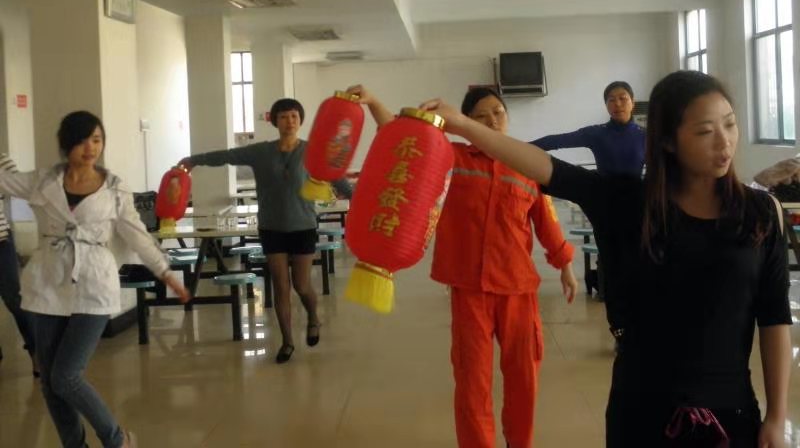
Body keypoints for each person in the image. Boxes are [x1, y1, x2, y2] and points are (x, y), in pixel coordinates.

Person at [420, 70, 791, 447]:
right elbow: (546, 165)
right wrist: (463, 126)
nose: (724, 141)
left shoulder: (760, 214)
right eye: (705, 131)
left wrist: (777, 416)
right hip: (643, 411)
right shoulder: (630, 204)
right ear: (667, 140)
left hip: (731, 414)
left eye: (730, 124)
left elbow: (774, 317)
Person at [349, 85, 578, 448]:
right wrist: (374, 102)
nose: (492, 121)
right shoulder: (451, 158)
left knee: (524, 377)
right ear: (466, 121)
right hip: (469, 288)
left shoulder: (525, 164)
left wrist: (564, 264)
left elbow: (545, 220)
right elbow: (403, 142)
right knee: (472, 381)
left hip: (518, 288)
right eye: (481, 116)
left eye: (498, 113)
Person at [0, 111, 190, 448]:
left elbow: (136, 234)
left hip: (94, 283)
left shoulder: (114, 188)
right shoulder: (43, 181)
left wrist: (165, 271)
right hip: (48, 283)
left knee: (66, 375)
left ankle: (117, 440)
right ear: (67, 144)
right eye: (83, 141)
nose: (91, 148)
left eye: (97, 140)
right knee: (49, 382)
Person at [179, 98, 352, 364]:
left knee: (301, 285)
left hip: (303, 226)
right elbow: (227, 156)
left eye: (294, 116)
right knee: (281, 286)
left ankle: (313, 318)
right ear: (274, 121)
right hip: (271, 227)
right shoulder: (260, 152)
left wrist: (358, 198)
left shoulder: (312, 151)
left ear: (300, 121)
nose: (289, 121)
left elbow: (336, 176)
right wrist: (194, 160)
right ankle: (287, 342)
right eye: (283, 117)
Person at [531, 81, 645, 177]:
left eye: (622, 98)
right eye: (611, 100)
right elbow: (556, 141)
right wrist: (522, 148)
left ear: (633, 103)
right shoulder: (597, 133)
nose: (618, 104)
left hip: (637, 194)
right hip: (603, 192)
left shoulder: (646, 135)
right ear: (606, 105)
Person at [0, 152, 37, 375]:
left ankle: (36, 352)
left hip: (1, 240)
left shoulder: (1, 159)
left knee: (14, 298)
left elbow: (22, 186)